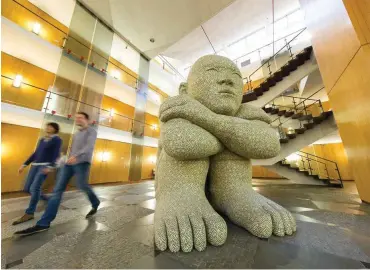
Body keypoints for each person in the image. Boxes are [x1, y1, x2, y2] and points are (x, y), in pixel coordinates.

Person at [15, 112, 100, 235]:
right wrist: (63, 160)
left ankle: (95, 202)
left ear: (87, 119)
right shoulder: (76, 134)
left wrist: (76, 156)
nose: (77, 119)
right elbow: (72, 150)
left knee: (82, 186)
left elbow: (89, 147)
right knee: (57, 191)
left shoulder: (91, 131)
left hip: (82, 163)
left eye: (80, 118)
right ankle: (43, 223)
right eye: (76, 118)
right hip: (68, 164)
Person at [14, 122, 62, 225]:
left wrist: (50, 166)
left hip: (44, 166)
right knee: (27, 188)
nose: (48, 128)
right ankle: (47, 199)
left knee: (34, 188)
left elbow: (56, 154)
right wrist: (25, 164)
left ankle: (30, 213)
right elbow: (36, 153)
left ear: (55, 129)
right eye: (47, 126)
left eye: (50, 126)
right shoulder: (42, 140)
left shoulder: (57, 140)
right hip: (35, 165)